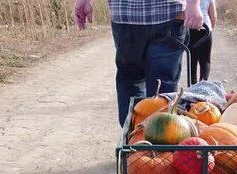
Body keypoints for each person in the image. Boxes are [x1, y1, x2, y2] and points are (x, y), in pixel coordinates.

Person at [74, 0, 204, 127]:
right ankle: (142, 142)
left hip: (143, 15)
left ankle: (140, 142)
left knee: (153, 92)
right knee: (156, 93)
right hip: (158, 14)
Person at [188, 0, 216, 84]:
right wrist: (212, 28)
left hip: (191, 28)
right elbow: (213, 15)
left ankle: (192, 83)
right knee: (205, 60)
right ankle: (203, 83)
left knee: (192, 58)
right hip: (205, 29)